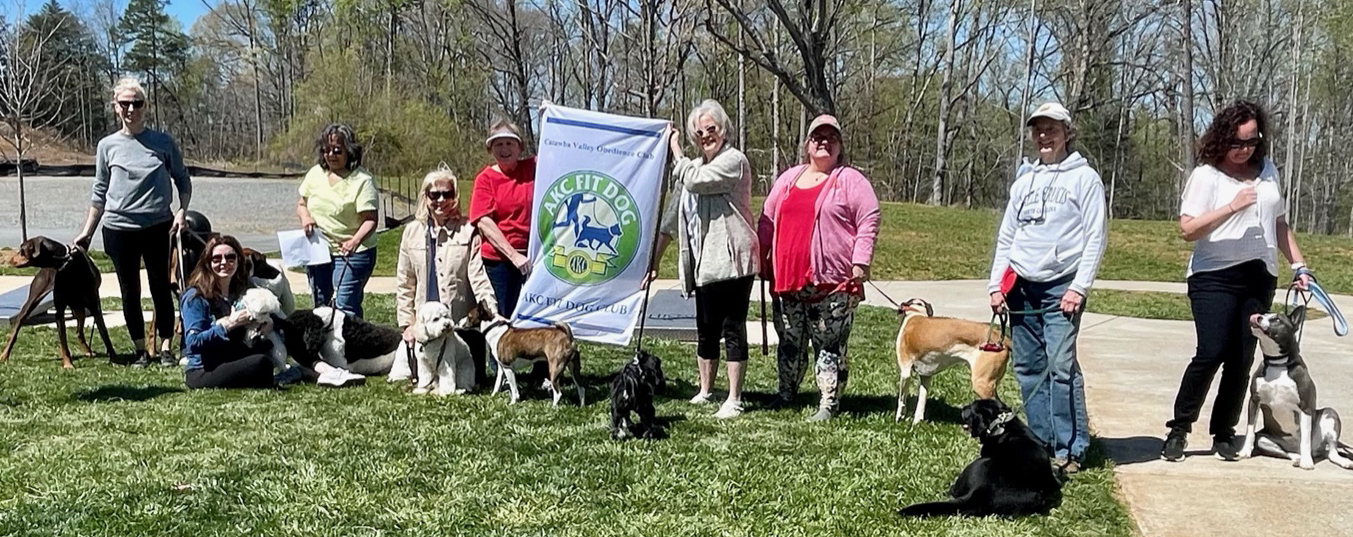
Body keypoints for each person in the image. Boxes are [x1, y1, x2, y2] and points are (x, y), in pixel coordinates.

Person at [1160, 100, 1312, 463]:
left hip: (1259, 275)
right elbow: (1187, 229)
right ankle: (1179, 429)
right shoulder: (1207, 175)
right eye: (1238, 142)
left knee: (1241, 358)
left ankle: (1224, 432)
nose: (1246, 150)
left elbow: (1279, 224)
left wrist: (1300, 266)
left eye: (1253, 142)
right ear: (1223, 138)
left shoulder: (1268, 171)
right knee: (1211, 351)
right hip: (1214, 275)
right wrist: (1232, 206)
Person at [987, 102, 1107, 473]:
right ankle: (1040, 441)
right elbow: (1007, 236)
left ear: (1067, 133)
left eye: (1051, 129)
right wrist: (996, 284)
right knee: (1028, 366)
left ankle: (1071, 447)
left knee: (1061, 368)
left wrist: (1079, 287)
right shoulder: (1025, 180)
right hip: (1021, 286)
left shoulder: (1084, 179)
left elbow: (1096, 237)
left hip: (1061, 288)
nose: (1043, 135)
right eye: (1038, 129)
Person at [758, 114, 880, 422]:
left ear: (840, 146)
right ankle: (786, 393)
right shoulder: (789, 179)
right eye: (817, 137)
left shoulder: (850, 180)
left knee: (829, 344)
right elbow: (767, 219)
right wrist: (761, 257)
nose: (824, 142)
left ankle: (828, 403)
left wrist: (860, 261)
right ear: (807, 144)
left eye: (831, 138)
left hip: (833, 282)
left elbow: (869, 217)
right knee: (789, 340)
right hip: (786, 279)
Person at [648, 99, 759, 419]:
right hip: (704, 263)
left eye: (711, 129)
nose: (705, 135)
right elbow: (671, 218)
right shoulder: (693, 168)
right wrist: (655, 261)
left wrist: (676, 150)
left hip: (733, 259)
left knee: (732, 327)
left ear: (723, 130)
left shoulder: (734, 161)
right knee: (706, 328)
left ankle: (734, 398)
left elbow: (695, 181)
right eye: (699, 132)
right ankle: (706, 390)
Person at [73, 77, 191, 368]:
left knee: (161, 288)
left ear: (145, 107)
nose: (130, 109)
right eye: (124, 104)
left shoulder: (163, 143)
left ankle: (165, 348)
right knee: (130, 291)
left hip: (158, 227)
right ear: (116, 107)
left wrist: (182, 211)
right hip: (118, 229)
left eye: (136, 103)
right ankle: (140, 350)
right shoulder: (107, 146)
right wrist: (86, 233)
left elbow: (183, 182)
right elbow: (99, 192)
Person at [395, 169, 499, 385]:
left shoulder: (468, 230)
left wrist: (491, 312)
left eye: (447, 194)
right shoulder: (411, 232)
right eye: (434, 195)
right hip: (425, 329)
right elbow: (405, 283)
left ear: (455, 197)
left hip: (460, 328)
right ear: (426, 197)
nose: (441, 200)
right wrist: (407, 325)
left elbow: (478, 277)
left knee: (470, 382)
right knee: (419, 381)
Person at [181, 235, 303, 389]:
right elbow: (193, 343)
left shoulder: (241, 290)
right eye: (217, 259)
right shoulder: (195, 297)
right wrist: (230, 323)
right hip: (204, 368)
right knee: (261, 363)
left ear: (239, 261)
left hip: (234, 356)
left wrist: (268, 324)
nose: (224, 263)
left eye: (230, 257)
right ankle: (281, 377)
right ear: (208, 263)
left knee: (268, 353)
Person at [296, 123, 380, 318]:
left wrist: (354, 241)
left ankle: (351, 347)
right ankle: (325, 347)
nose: (331, 155)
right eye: (326, 150)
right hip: (318, 251)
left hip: (353, 253)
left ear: (349, 151)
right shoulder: (315, 173)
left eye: (337, 150)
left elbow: (371, 220)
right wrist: (306, 217)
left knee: (345, 305)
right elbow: (301, 204)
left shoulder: (363, 180)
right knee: (321, 304)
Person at [470, 118, 536, 318]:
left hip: (534, 255)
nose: (504, 148)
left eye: (510, 143)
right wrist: (514, 256)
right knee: (504, 320)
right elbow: (484, 221)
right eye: (498, 144)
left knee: (533, 322)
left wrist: (549, 116)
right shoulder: (486, 179)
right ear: (490, 149)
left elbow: (559, 151)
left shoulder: (533, 168)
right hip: (501, 262)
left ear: (519, 147)